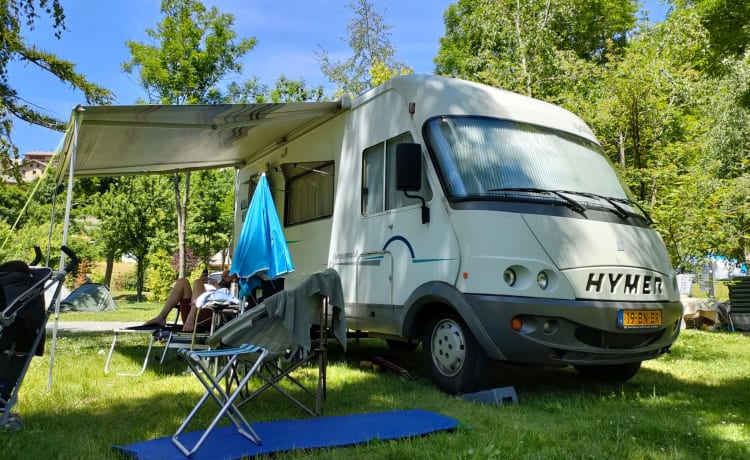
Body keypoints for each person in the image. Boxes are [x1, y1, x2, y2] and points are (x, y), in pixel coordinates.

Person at [143, 269, 214, 332]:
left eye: (225, 276)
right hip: (195, 309)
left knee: (198, 282)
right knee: (183, 281)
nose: (223, 276)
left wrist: (216, 286)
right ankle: (161, 317)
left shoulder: (223, 288)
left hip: (211, 315)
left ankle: (191, 317)